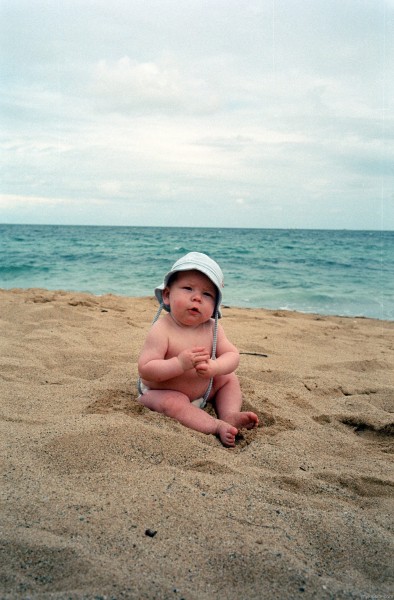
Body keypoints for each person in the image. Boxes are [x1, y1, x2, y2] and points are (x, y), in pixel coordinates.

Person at [138, 252, 259, 447]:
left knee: (229, 378)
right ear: (167, 295)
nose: (197, 298)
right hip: (164, 391)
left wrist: (216, 367)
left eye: (207, 294)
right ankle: (214, 426)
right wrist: (178, 363)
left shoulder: (213, 328)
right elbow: (146, 369)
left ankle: (229, 414)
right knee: (173, 402)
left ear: (215, 304)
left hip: (204, 389)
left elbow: (232, 355)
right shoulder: (162, 329)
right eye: (188, 288)